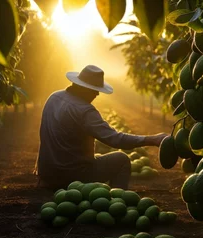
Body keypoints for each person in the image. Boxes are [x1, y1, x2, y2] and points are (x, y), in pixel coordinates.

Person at [34, 65, 168, 190]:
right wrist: (152, 139)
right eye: (95, 91)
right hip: (72, 177)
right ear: (85, 89)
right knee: (121, 159)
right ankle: (117, 200)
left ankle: (47, 182)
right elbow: (115, 140)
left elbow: (45, 134)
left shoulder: (53, 97)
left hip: (47, 173)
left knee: (94, 156)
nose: (97, 95)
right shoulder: (86, 111)